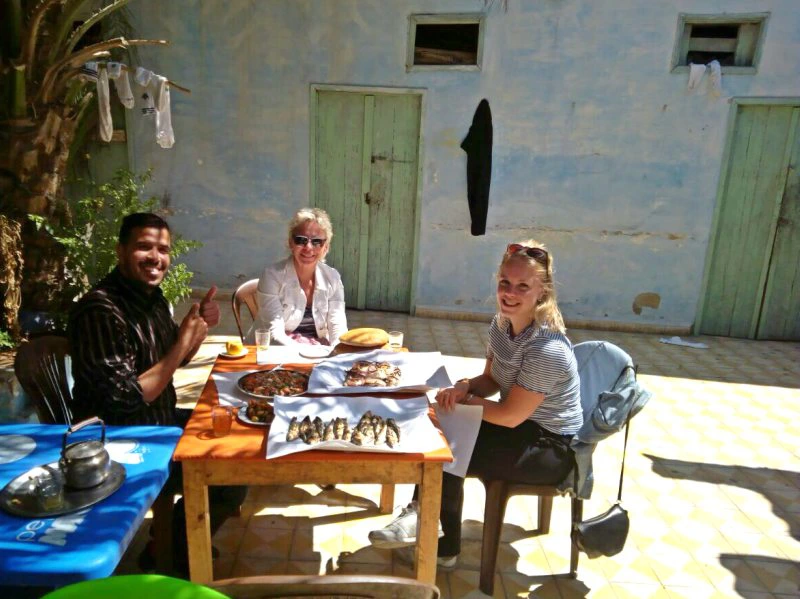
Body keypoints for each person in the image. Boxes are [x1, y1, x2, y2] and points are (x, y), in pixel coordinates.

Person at [368, 239, 583, 568]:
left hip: (548, 447)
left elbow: (509, 416)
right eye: (504, 283)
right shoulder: (501, 325)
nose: (509, 293)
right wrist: (465, 387)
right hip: (521, 428)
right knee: (442, 429)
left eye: (522, 286)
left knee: (446, 448)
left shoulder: (546, 349)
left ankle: (435, 537)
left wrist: (466, 400)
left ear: (542, 292)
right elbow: (493, 380)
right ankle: (430, 526)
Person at [67, 212, 246, 575]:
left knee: (235, 446)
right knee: (226, 473)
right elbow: (127, 399)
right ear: (120, 251)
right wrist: (181, 344)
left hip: (157, 422)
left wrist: (194, 329)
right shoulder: (101, 309)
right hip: (121, 439)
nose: (155, 258)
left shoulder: (149, 297)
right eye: (144, 247)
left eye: (162, 249)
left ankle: (173, 539)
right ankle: (174, 554)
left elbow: (170, 360)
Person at [255, 207, 347, 347]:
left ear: (326, 247)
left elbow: (338, 328)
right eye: (300, 240)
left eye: (317, 241)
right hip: (279, 352)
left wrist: (336, 353)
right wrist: (308, 354)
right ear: (291, 243)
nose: (308, 247)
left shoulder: (332, 278)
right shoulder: (272, 276)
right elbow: (275, 335)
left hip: (319, 351)